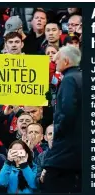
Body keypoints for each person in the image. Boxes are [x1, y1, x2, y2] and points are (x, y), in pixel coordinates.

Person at [43, 45, 82, 193]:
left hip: (66, 149)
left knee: (51, 183)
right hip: (79, 149)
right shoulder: (82, 77)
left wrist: (58, 131)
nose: (54, 60)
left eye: (57, 58)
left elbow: (67, 112)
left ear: (66, 61)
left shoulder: (69, 80)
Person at [35, 124, 53, 191]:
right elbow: (36, 180)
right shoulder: (41, 156)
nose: (53, 136)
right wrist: (41, 178)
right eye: (50, 134)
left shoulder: (69, 154)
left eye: (56, 133)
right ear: (45, 137)